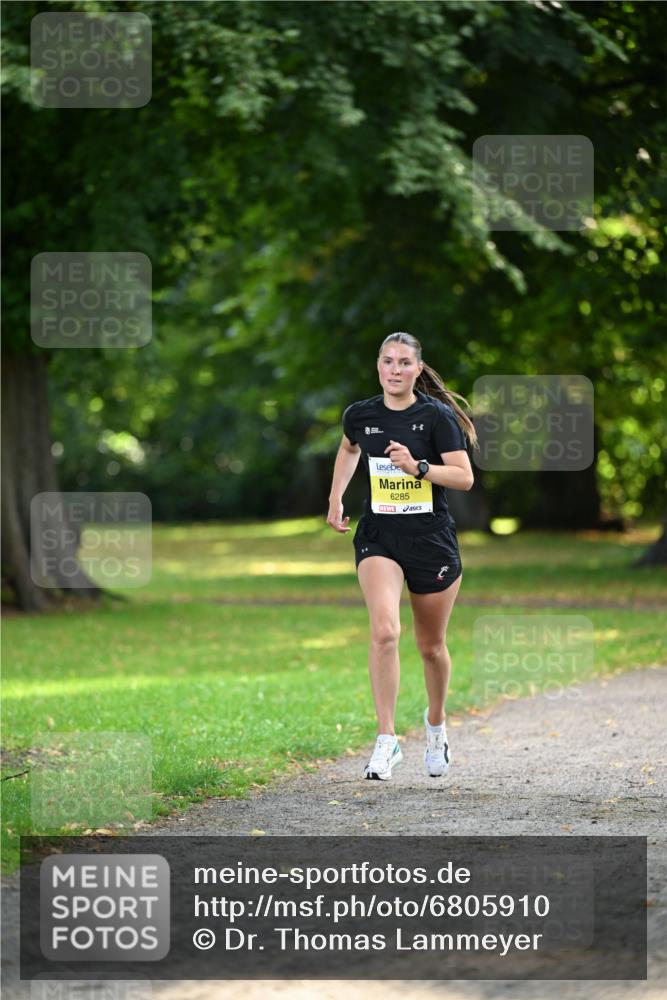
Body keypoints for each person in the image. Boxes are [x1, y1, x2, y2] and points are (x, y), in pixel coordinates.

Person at [326, 332, 477, 781]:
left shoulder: (436, 418)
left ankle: (435, 727)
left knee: (430, 647)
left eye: (404, 362)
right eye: (388, 361)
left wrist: (420, 468)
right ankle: (387, 740)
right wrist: (335, 498)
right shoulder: (361, 415)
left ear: (416, 369)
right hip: (380, 537)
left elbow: (465, 478)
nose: (395, 369)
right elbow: (349, 448)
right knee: (385, 631)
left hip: (431, 541)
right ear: (378, 366)